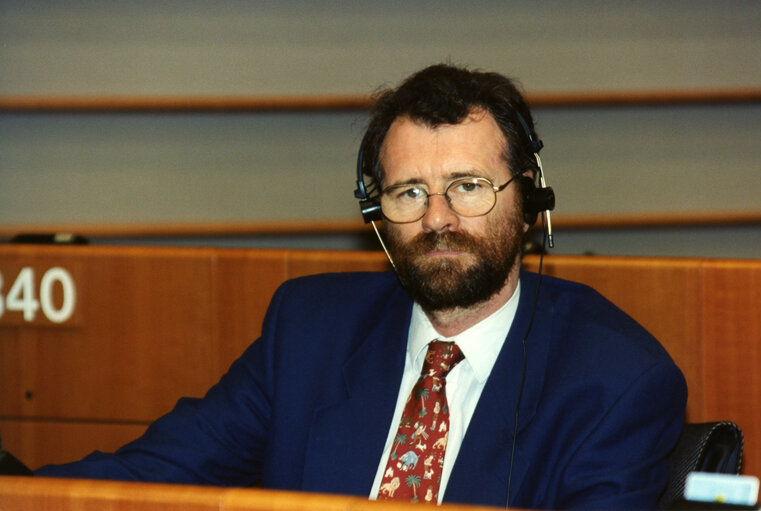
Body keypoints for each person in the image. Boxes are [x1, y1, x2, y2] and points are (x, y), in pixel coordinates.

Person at [35, 64, 686, 510]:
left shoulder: (617, 379)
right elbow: (155, 474)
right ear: (378, 217)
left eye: (467, 186)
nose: (437, 218)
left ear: (529, 200)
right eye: (409, 192)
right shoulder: (310, 329)